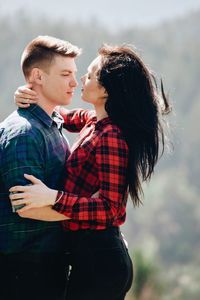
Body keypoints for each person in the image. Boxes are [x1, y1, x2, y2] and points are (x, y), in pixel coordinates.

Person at [11, 44, 171, 300]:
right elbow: (58, 114)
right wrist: (27, 94)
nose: (80, 80)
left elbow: (111, 209)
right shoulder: (94, 121)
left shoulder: (112, 137)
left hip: (101, 263)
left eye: (90, 74)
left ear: (106, 89)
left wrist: (54, 198)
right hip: (90, 258)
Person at [0, 35, 81, 300]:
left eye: (75, 74)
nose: (74, 83)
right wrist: (92, 212)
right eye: (65, 74)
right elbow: (28, 208)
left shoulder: (52, 121)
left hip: (47, 266)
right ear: (38, 76)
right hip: (25, 272)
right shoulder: (24, 133)